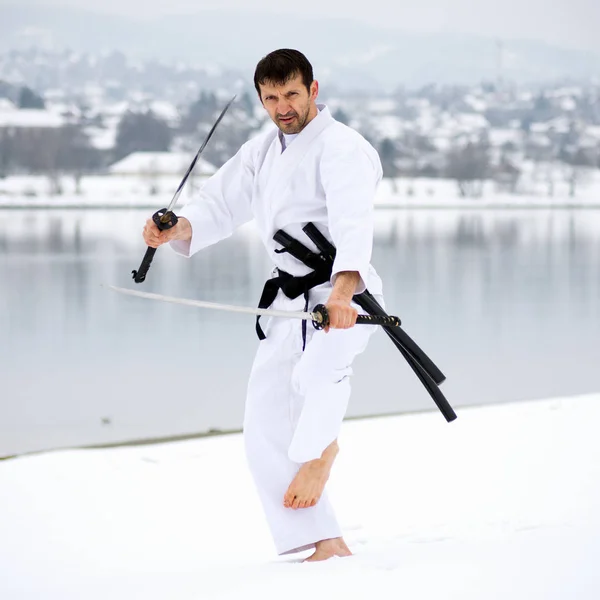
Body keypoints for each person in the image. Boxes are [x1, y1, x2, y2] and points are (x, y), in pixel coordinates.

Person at [142, 48, 385, 562]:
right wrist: (175, 229)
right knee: (263, 425)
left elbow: (352, 225)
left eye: (291, 94)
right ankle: (322, 540)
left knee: (316, 376)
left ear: (314, 90)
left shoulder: (344, 149)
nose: (282, 107)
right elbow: (217, 205)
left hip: (344, 296)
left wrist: (343, 295)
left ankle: (322, 451)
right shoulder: (260, 151)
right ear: (260, 98)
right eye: (271, 98)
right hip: (289, 303)